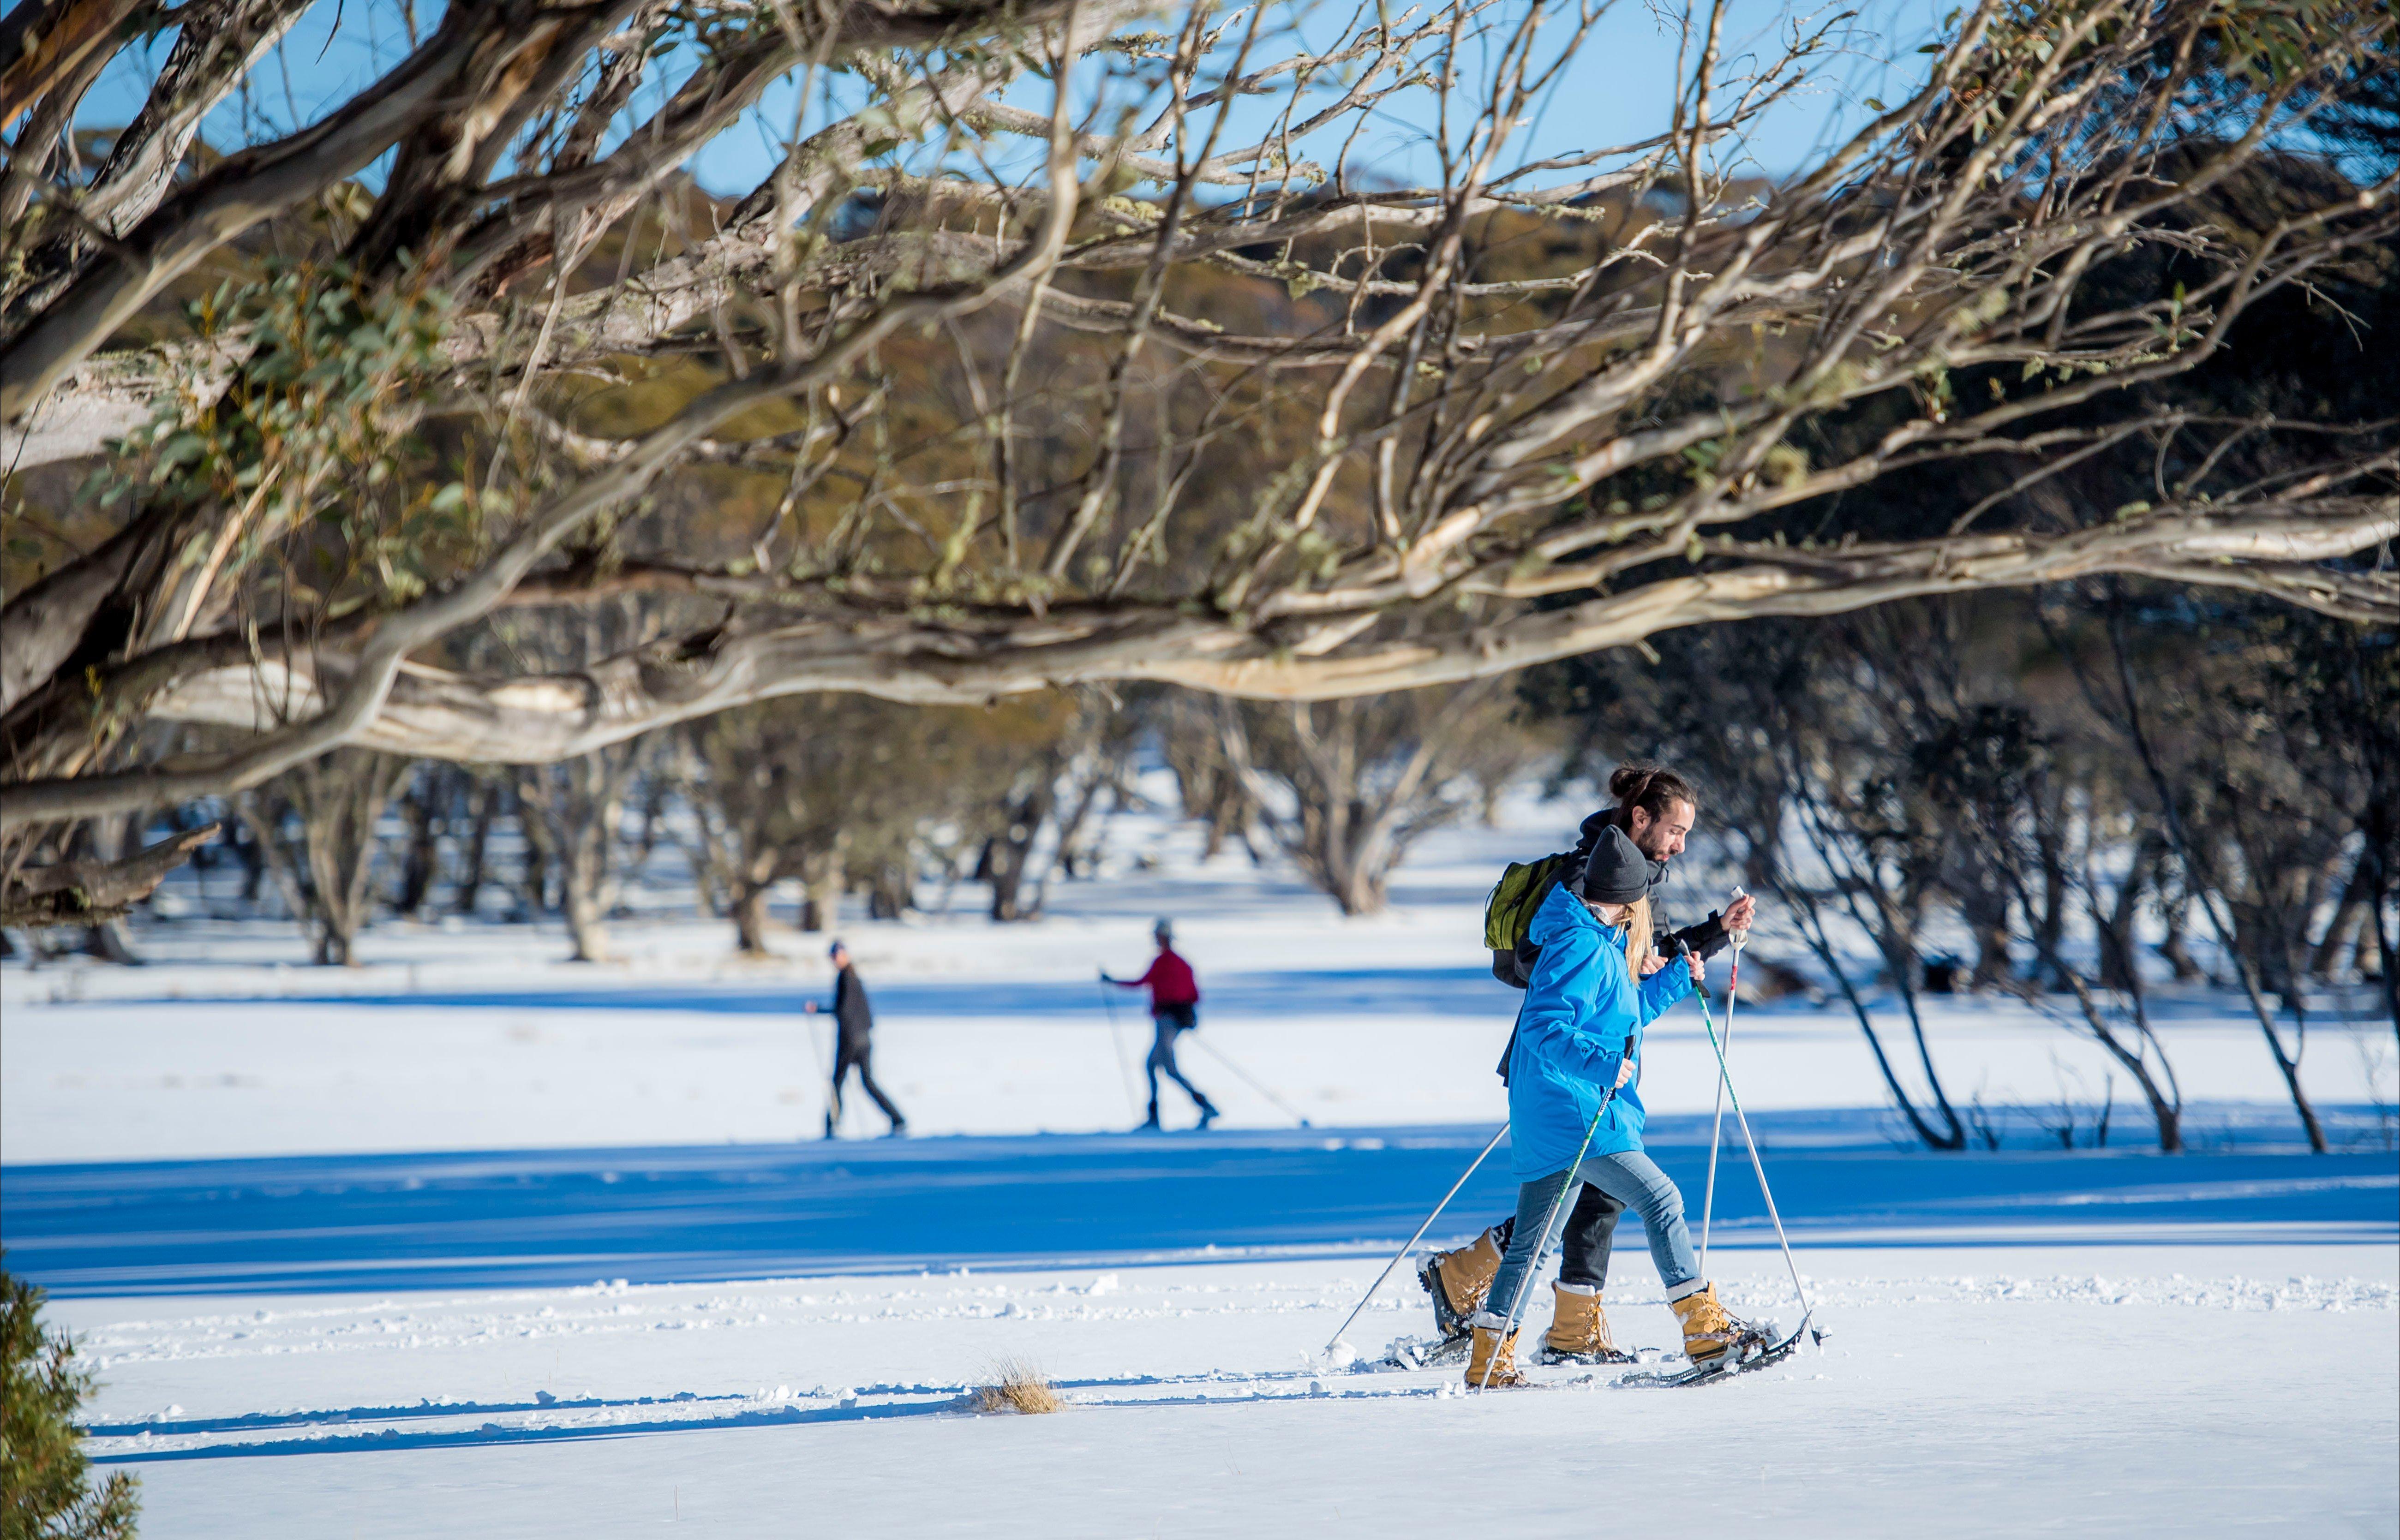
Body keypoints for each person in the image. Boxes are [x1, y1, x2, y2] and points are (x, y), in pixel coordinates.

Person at [1422, 763, 1760, 1363]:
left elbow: (1628, 985)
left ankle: (1496, 1347)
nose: (1680, 846)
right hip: (1572, 1088)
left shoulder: (1617, 900)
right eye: (1676, 830)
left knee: (1546, 1228)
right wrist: (1600, 1058)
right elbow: (1552, 1004)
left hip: (1583, 1080)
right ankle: (1689, 1332)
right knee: (1646, 1198)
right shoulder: (1589, 892)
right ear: (1640, 820)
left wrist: (1688, 959)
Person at [1103, 919, 1220, 1131]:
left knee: (1168, 1068)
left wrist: (1113, 982)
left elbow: (1141, 983)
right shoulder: (1183, 963)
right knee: (1152, 1066)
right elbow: (1195, 995)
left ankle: (1204, 1107)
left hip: (1167, 1022)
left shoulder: (1165, 962)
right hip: (1175, 1022)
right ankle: (1157, 1115)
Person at [805, 941, 906, 1138]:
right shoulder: (854, 977)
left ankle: (831, 1127)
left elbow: (843, 1010)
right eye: (833, 956)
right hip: (864, 1039)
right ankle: (897, 1119)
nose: (835, 960)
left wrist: (818, 1010)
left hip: (851, 1039)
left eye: (838, 955)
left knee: (838, 1082)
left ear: (846, 956)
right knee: (867, 1082)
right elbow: (865, 1013)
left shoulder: (846, 978)